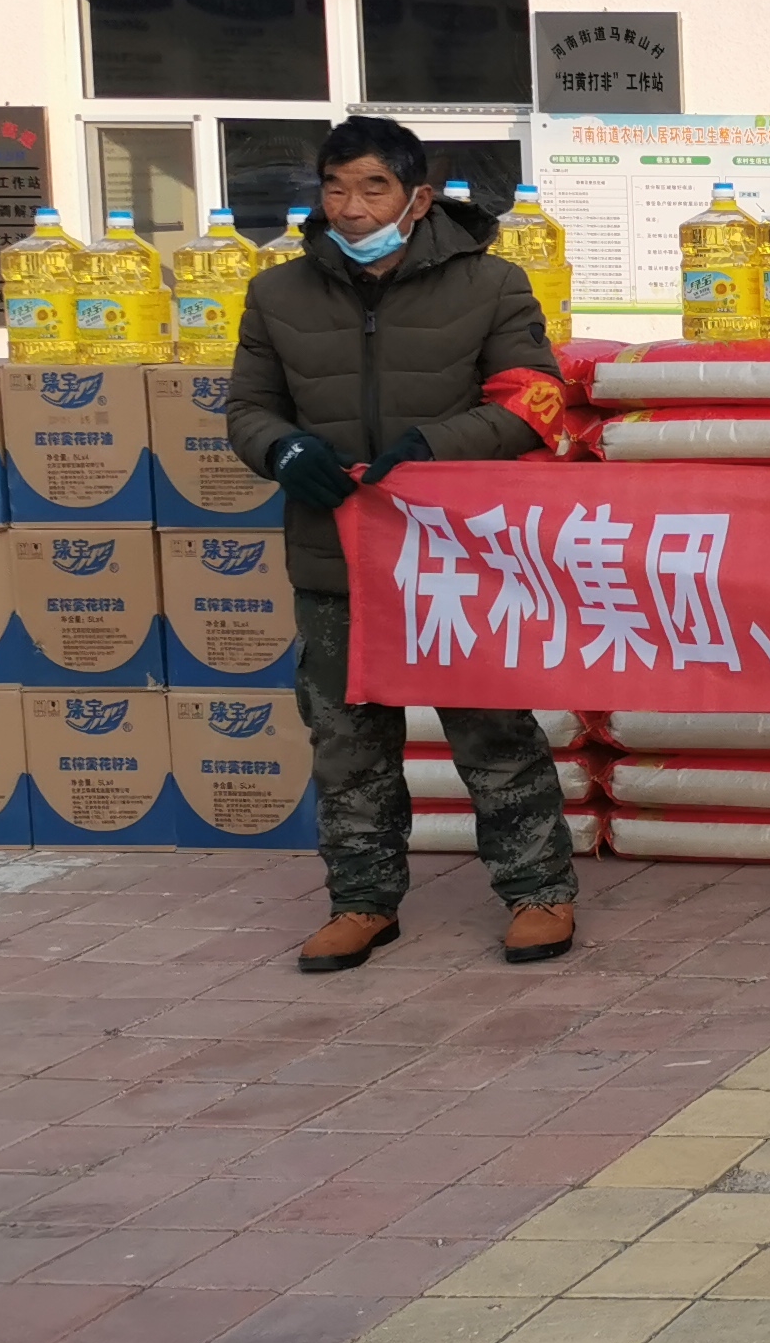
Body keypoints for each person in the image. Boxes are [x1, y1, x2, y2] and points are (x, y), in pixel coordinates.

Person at [229, 116, 581, 974]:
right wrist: (284, 451)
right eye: (335, 189)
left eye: (372, 189)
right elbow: (248, 408)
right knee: (346, 742)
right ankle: (361, 902)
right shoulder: (278, 295)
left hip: (456, 552)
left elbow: (534, 399)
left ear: (418, 199)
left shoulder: (491, 284)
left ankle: (538, 891)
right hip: (336, 555)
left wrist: (434, 447)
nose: (351, 209)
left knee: (492, 729)